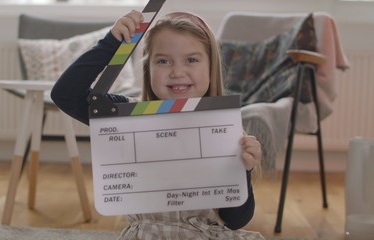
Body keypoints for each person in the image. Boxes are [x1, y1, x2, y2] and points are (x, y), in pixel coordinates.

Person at [51, 10, 264, 240]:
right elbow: (66, 94)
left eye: (191, 59)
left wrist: (243, 171)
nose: (177, 72)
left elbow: (236, 220)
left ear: (210, 68)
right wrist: (111, 43)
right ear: (148, 68)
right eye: (163, 61)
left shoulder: (226, 131)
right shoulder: (127, 116)